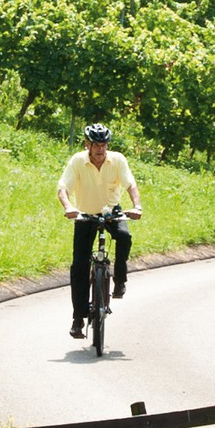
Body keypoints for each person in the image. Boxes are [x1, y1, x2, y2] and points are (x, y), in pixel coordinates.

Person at [57, 122, 141, 339]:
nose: (100, 149)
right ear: (88, 145)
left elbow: (130, 184)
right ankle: (78, 318)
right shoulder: (77, 161)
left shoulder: (118, 160)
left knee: (124, 236)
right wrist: (69, 208)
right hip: (84, 215)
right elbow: (63, 188)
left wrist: (137, 206)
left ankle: (120, 279)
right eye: (96, 145)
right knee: (79, 266)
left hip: (112, 212)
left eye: (104, 145)